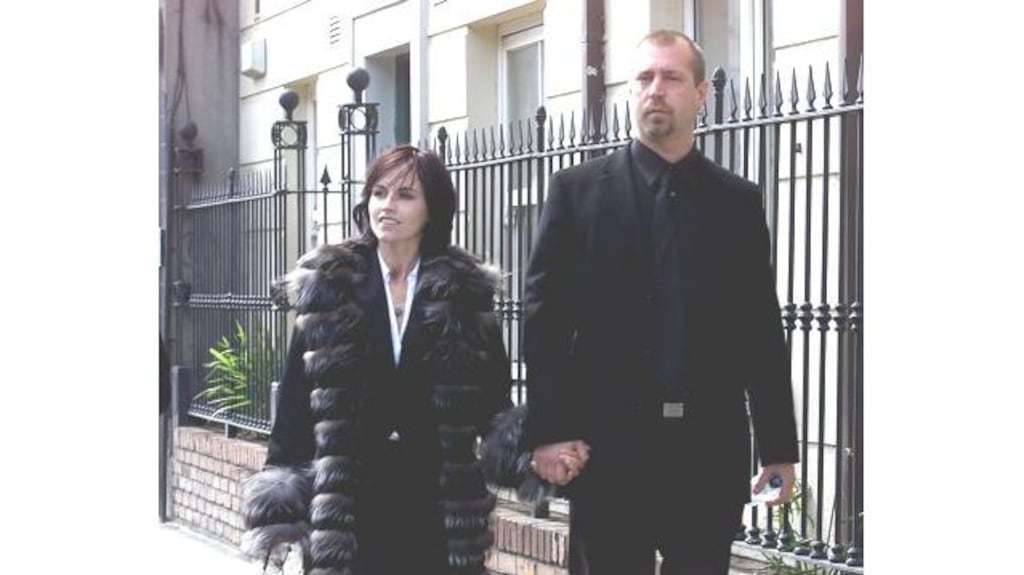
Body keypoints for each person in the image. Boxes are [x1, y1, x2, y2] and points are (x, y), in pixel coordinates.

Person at [520, 30, 800, 575]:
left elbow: (759, 329)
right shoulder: (577, 191)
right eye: (644, 78)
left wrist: (778, 448)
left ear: (700, 94)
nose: (655, 89)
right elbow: (545, 321)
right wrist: (549, 430)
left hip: (708, 449)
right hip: (608, 448)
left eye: (671, 77)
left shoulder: (737, 202)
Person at [241, 145, 512, 575]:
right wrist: (279, 497)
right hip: (349, 506)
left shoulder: (463, 289)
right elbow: (295, 400)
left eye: (405, 195)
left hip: (437, 505)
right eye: (379, 192)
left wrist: (532, 449)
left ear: (433, 208)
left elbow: (493, 397)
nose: (387, 206)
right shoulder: (332, 282)